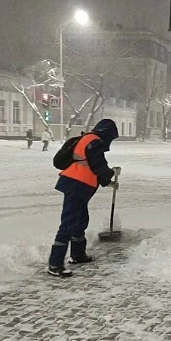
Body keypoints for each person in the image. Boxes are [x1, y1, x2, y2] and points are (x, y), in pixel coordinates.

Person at [48, 119, 120, 278]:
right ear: (106, 132)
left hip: (79, 185)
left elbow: (93, 165)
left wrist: (107, 181)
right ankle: (55, 264)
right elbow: (97, 165)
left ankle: (78, 255)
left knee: (80, 220)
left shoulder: (89, 139)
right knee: (68, 223)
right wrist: (109, 174)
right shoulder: (93, 141)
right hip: (76, 184)